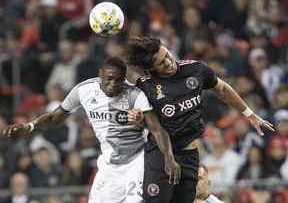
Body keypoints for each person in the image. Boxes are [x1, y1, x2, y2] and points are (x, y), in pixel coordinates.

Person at [3, 57, 181, 203]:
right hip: (109, 165)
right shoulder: (84, 91)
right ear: (100, 76)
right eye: (108, 79)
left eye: (118, 80)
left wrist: (169, 158)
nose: (113, 84)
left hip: (137, 162)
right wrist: (29, 127)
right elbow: (54, 117)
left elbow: (157, 130)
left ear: (124, 78)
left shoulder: (135, 95)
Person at [125, 36, 274, 203]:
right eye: (161, 63)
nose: (168, 62)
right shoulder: (145, 85)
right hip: (160, 154)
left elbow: (223, 89)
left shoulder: (196, 69)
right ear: (150, 69)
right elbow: (143, 120)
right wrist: (137, 120)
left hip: (189, 154)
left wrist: (249, 114)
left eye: (167, 55)